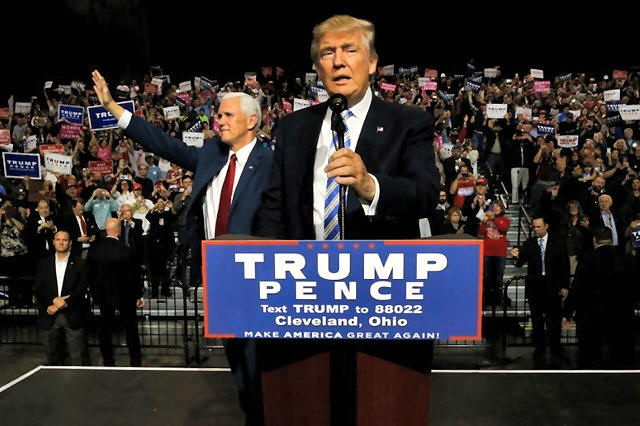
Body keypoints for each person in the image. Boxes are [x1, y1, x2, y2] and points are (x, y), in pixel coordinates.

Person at [253, 14, 439, 424]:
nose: (338, 61)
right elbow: (273, 209)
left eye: (349, 50)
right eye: (327, 53)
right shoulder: (293, 127)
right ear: (317, 68)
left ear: (372, 62)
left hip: (382, 306)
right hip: (304, 304)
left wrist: (370, 185)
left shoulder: (408, 122)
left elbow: (426, 195)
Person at [92, 70, 273, 425]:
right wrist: (113, 108)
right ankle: (253, 415)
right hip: (217, 276)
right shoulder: (211, 155)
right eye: (218, 115)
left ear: (252, 121)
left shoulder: (271, 162)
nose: (219, 120)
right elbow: (163, 143)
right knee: (237, 360)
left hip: (256, 278)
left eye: (227, 115)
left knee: (258, 363)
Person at [563, 227, 636, 368]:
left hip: (591, 315)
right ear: (612, 240)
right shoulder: (626, 259)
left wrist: (567, 312)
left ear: (594, 240)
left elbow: (577, 288)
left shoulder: (587, 259)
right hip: (620, 314)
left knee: (590, 358)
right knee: (620, 359)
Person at [511, 217, 570, 367]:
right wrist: (515, 256)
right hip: (535, 288)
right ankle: (539, 351)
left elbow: (564, 265)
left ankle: (556, 351)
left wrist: (564, 286)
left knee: (553, 322)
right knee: (537, 322)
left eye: (538, 227)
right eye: (534, 227)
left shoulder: (557, 242)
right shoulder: (529, 243)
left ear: (546, 226)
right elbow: (519, 263)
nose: (535, 229)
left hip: (553, 287)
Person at [88, 218, 144, 367]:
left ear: (106, 230)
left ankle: (108, 360)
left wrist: (95, 293)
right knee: (130, 327)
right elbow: (134, 274)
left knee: (105, 328)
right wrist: (139, 294)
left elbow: (90, 274)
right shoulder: (125, 249)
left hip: (104, 295)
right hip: (126, 294)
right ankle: (135, 360)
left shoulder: (94, 249)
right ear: (119, 231)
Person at [34, 230, 90, 365]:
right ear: (53, 242)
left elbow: (81, 289)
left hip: (72, 315)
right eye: (58, 239)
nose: (61, 242)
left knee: (78, 358)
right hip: (49, 314)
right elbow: (39, 288)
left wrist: (64, 303)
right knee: (52, 358)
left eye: (64, 240)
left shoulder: (80, 263)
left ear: (70, 243)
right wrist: (54, 301)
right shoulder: (44, 263)